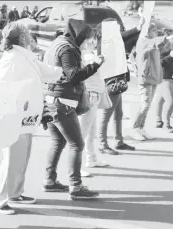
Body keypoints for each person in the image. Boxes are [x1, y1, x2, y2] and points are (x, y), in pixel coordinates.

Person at [0, 22, 64, 215]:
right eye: (28, 34)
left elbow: (48, 72)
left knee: (21, 158)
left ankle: (15, 193)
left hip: (28, 118)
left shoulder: (25, 56)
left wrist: (70, 70)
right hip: (13, 118)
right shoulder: (12, 58)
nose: (31, 37)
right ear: (22, 37)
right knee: (11, 159)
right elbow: (1, 89)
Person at [42, 19, 104, 200]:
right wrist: (95, 65)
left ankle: (49, 180)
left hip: (52, 99)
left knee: (57, 142)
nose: (88, 43)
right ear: (80, 36)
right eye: (87, 39)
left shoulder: (56, 44)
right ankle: (76, 186)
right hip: (63, 101)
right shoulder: (68, 49)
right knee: (77, 143)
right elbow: (74, 75)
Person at [94, 17, 145, 156]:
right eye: (115, 26)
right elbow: (122, 37)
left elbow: (126, 39)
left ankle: (118, 141)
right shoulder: (106, 42)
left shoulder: (111, 41)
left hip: (117, 81)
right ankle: (103, 144)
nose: (119, 28)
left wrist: (138, 30)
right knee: (107, 115)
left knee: (118, 114)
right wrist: (137, 28)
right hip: (111, 82)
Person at [130, 22, 171, 141]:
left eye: (156, 31)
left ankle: (141, 128)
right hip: (145, 78)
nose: (156, 32)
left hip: (153, 77)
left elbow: (163, 47)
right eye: (154, 30)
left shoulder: (151, 41)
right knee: (145, 105)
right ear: (147, 31)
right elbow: (154, 43)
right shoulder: (144, 41)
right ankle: (135, 128)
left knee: (147, 105)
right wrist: (164, 38)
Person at [77, 26, 109, 176]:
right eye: (91, 38)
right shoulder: (84, 53)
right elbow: (87, 72)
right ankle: (77, 166)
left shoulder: (89, 52)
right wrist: (97, 62)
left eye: (95, 38)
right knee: (83, 132)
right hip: (90, 94)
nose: (93, 41)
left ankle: (91, 158)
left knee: (91, 131)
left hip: (95, 93)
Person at [153, 29, 173, 132]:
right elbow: (158, 63)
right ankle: (167, 124)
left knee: (160, 99)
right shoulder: (162, 48)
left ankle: (158, 120)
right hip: (165, 78)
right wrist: (170, 56)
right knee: (171, 101)